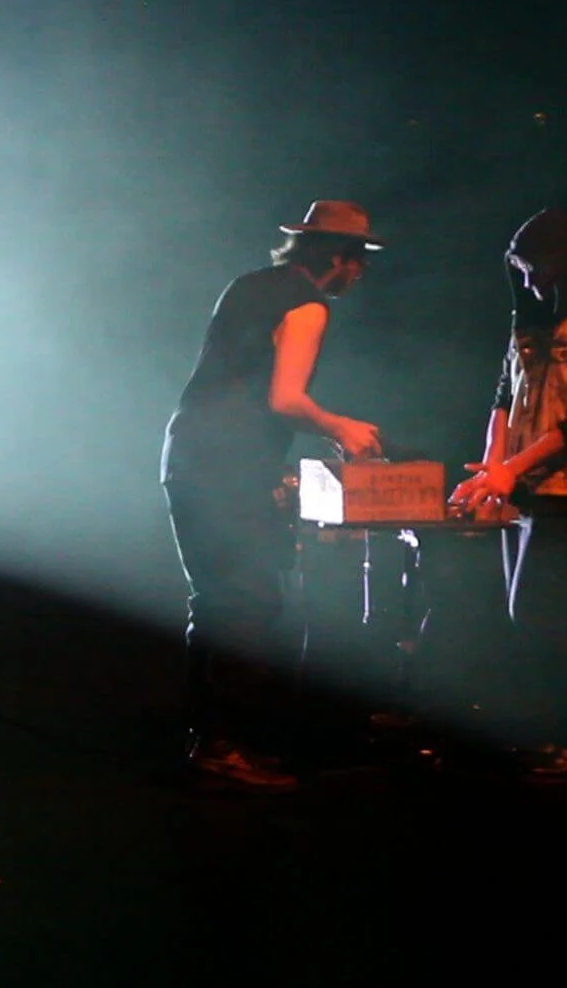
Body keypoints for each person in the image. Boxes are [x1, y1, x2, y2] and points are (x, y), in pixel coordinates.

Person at [161, 200, 385, 792]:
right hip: (227, 465)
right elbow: (284, 399)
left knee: (213, 600)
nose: (359, 273)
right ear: (336, 257)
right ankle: (227, 747)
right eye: (357, 260)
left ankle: (204, 737)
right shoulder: (308, 305)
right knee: (248, 602)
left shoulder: (247, 286)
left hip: (186, 452)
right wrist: (342, 427)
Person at [447, 208, 567, 783]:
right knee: (529, 616)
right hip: (531, 491)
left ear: (562, 263)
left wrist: (510, 472)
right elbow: (503, 395)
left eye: (535, 269)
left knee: (545, 616)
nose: (529, 282)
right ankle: (559, 735)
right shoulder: (532, 322)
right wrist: (492, 465)